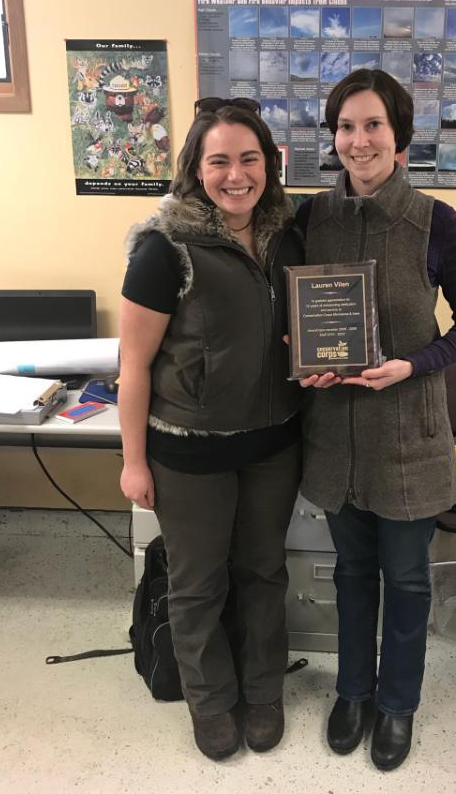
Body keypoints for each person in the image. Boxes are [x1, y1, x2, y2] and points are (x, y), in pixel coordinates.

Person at [296, 69, 456, 771]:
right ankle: (353, 692)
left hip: (409, 435)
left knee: (407, 580)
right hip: (336, 436)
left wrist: (413, 364)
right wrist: (299, 354)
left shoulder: (437, 222)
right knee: (351, 572)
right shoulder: (309, 219)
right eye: (346, 126)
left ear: (400, 136)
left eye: (373, 124)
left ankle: (397, 705)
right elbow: (291, 318)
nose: (359, 140)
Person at [119, 98, 302, 761]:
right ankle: (211, 702)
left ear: (269, 164)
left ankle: (263, 693)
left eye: (249, 159)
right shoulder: (164, 250)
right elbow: (133, 366)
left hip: (274, 444)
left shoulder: (288, 234)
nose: (236, 175)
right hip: (187, 453)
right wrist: (132, 461)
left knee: (263, 574)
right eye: (219, 160)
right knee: (198, 584)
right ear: (196, 169)